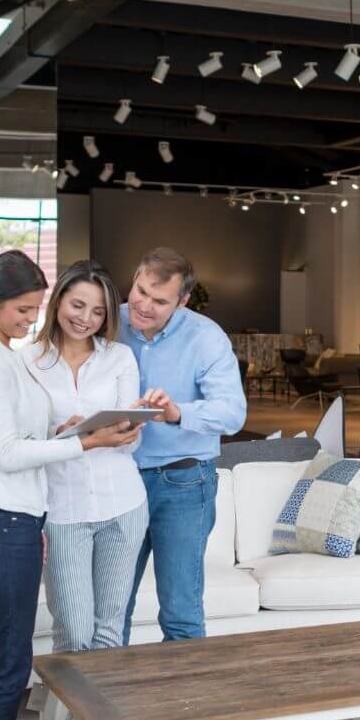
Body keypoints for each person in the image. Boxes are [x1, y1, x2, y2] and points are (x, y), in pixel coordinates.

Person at [0, 250, 138, 720]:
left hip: (14, 520)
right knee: (8, 664)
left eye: (36, 310)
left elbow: (19, 434)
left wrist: (63, 432)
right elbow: (6, 454)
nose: (31, 320)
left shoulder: (0, 349)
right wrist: (86, 443)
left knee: (9, 659)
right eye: (23, 310)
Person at [117, 247, 247, 642]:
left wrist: (178, 413)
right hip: (118, 480)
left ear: (182, 301)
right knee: (110, 607)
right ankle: (105, 701)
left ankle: (184, 704)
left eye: (160, 301)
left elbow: (233, 413)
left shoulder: (205, 337)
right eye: (140, 292)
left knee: (180, 611)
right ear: (135, 278)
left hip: (183, 482)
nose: (144, 306)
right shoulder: (110, 321)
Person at [24, 260, 149, 655]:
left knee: (109, 634)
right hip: (63, 511)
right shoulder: (27, 362)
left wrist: (125, 432)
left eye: (98, 312)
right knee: (74, 635)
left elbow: (130, 444)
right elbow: (21, 441)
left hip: (123, 504)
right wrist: (62, 436)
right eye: (78, 306)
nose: (86, 319)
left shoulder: (120, 358)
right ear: (58, 299)